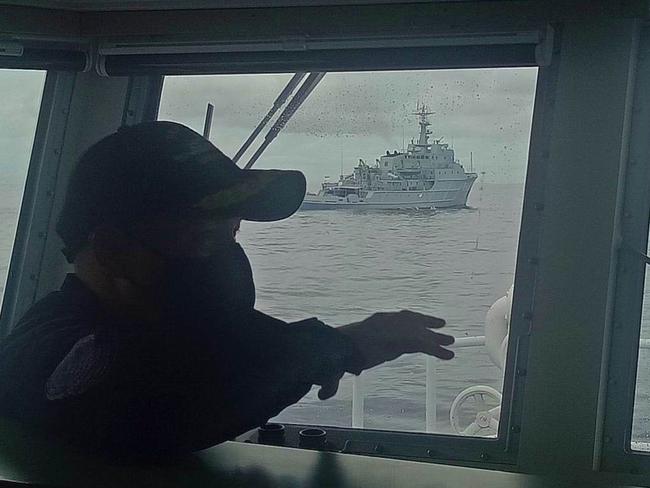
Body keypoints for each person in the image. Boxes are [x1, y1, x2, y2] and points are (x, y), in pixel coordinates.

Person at [0, 121, 454, 460]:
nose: (223, 261)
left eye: (231, 237)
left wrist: (333, 349)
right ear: (114, 250)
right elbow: (160, 394)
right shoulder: (49, 347)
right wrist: (337, 347)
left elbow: (226, 347)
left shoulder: (165, 319)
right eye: (205, 239)